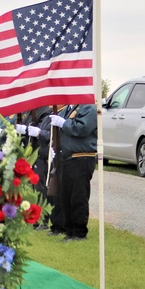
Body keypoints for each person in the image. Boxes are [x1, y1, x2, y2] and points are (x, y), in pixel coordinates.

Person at [48, 103, 98, 241]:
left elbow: (82, 128)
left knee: (78, 196)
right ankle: (69, 230)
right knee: (66, 197)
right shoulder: (70, 109)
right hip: (67, 157)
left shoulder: (89, 108)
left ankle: (79, 232)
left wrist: (64, 123)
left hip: (81, 157)